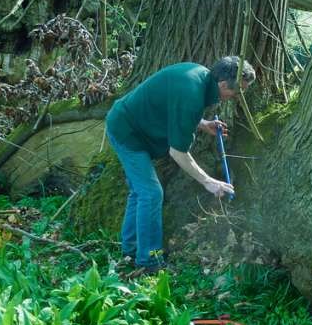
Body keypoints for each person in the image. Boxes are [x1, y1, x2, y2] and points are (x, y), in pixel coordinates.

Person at [105, 56, 256, 273]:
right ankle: (148, 262)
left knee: (141, 192)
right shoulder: (192, 94)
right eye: (238, 91)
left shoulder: (199, 77)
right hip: (127, 132)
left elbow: (174, 107)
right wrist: (209, 182)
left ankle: (132, 249)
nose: (237, 97)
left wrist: (203, 124)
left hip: (134, 126)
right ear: (223, 85)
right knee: (151, 193)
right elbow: (177, 152)